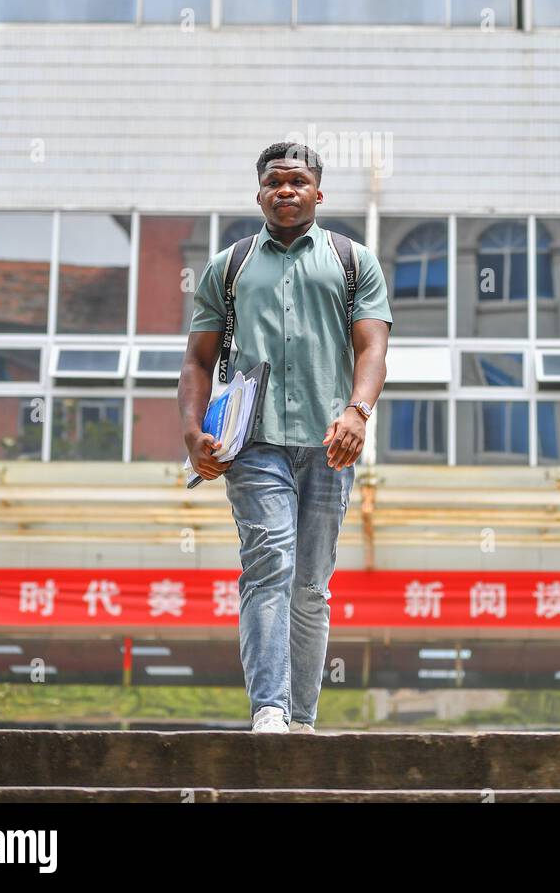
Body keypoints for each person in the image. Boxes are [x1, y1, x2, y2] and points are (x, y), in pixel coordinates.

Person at [178, 142, 392, 733]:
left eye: (297, 181)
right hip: (255, 445)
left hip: (331, 443)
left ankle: (301, 719)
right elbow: (197, 360)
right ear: (260, 194)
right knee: (269, 562)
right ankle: (269, 709)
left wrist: (358, 411)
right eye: (274, 182)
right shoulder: (229, 267)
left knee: (311, 586)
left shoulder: (354, 262)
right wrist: (194, 432)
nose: (286, 191)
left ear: (318, 193)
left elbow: (372, 346)